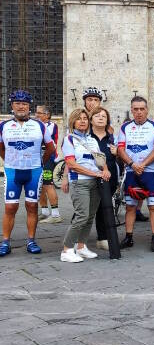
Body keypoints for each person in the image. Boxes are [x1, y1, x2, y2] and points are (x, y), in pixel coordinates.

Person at [0, 90, 55, 256]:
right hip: (12, 171)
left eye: (24, 104)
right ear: (12, 106)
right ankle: (5, 242)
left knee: (32, 206)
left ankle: (31, 240)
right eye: (17, 103)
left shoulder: (40, 125)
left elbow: (50, 147)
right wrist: (8, 160)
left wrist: (40, 163)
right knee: (10, 207)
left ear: (29, 106)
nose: (21, 106)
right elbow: (1, 147)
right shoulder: (4, 126)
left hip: (34, 171)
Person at [60, 108, 111, 262]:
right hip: (79, 182)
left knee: (89, 217)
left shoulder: (92, 140)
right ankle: (67, 250)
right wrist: (95, 173)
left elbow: (100, 160)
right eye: (79, 118)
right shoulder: (69, 139)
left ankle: (81, 247)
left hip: (94, 183)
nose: (82, 121)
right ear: (73, 122)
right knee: (81, 216)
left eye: (84, 118)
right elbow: (71, 164)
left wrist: (106, 170)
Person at [117, 96, 154, 251]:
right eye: (135, 109)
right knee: (130, 206)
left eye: (142, 109)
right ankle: (128, 237)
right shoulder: (125, 128)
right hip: (131, 171)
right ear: (132, 110)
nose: (139, 112)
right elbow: (120, 149)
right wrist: (132, 164)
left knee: (153, 207)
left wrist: (142, 164)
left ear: (147, 110)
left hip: (150, 172)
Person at [89, 107, 118, 251]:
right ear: (91, 119)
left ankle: (102, 238)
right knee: (85, 208)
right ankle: (77, 239)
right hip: (89, 176)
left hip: (109, 177)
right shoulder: (86, 137)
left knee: (104, 208)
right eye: (97, 116)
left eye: (104, 116)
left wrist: (117, 152)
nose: (100, 118)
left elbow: (119, 159)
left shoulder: (112, 138)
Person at [35, 105, 62, 224]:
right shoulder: (36, 125)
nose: (36, 115)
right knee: (39, 185)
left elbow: (43, 140)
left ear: (47, 115)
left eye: (39, 113)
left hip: (48, 159)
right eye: (36, 112)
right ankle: (45, 211)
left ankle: (56, 214)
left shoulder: (51, 126)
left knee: (47, 184)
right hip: (37, 159)